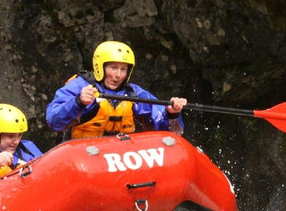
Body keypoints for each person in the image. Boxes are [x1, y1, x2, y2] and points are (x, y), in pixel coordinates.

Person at [45, 40, 187, 140]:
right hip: (81, 154)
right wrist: (78, 102)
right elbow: (53, 120)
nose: (118, 75)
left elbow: (169, 133)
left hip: (119, 156)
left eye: (123, 69)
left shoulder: (133, 93)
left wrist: (172, 115)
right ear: (100, 66)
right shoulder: (79, 86)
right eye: (113, 68)